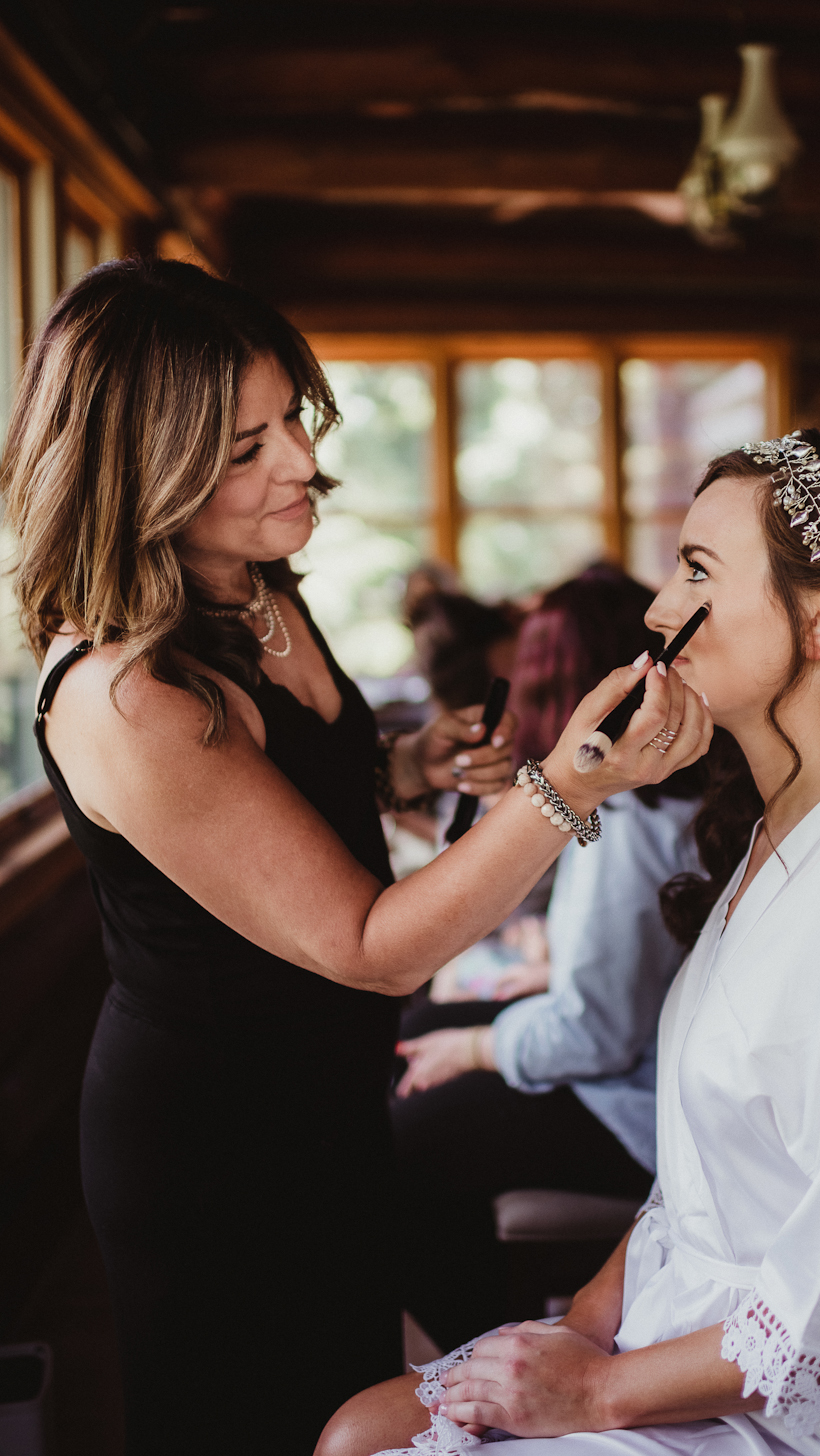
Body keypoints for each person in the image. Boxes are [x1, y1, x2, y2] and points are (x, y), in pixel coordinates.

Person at [0, 257, 712, 1456]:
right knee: (259, 1418)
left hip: (320, 1097)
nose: (298, 462)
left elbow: (279, 789)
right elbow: (370, 948)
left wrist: (411, 763)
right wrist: (572, 782)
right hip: (220, 1134)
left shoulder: (245, 583)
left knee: (340, 1392)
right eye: (241, 448)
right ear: (140, 472)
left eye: (290, 416)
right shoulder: (129, 695)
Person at [317, 431, 820, 1456]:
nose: (655, 609)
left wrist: (597, 1390)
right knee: (352, 1429)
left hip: (788, 1403)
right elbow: (686, 1194)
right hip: (677, 1321)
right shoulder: (779, 827)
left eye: (696, 571)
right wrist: (578, 1328)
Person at [393, 566, 743, 1351]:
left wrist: (479, 1047)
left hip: (642, 1108)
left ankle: (488, 1352)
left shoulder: (626, 812)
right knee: (422, 1029)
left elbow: (595, 1035)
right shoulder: (660, 794)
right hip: (640, 1055)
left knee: (402, 1141)